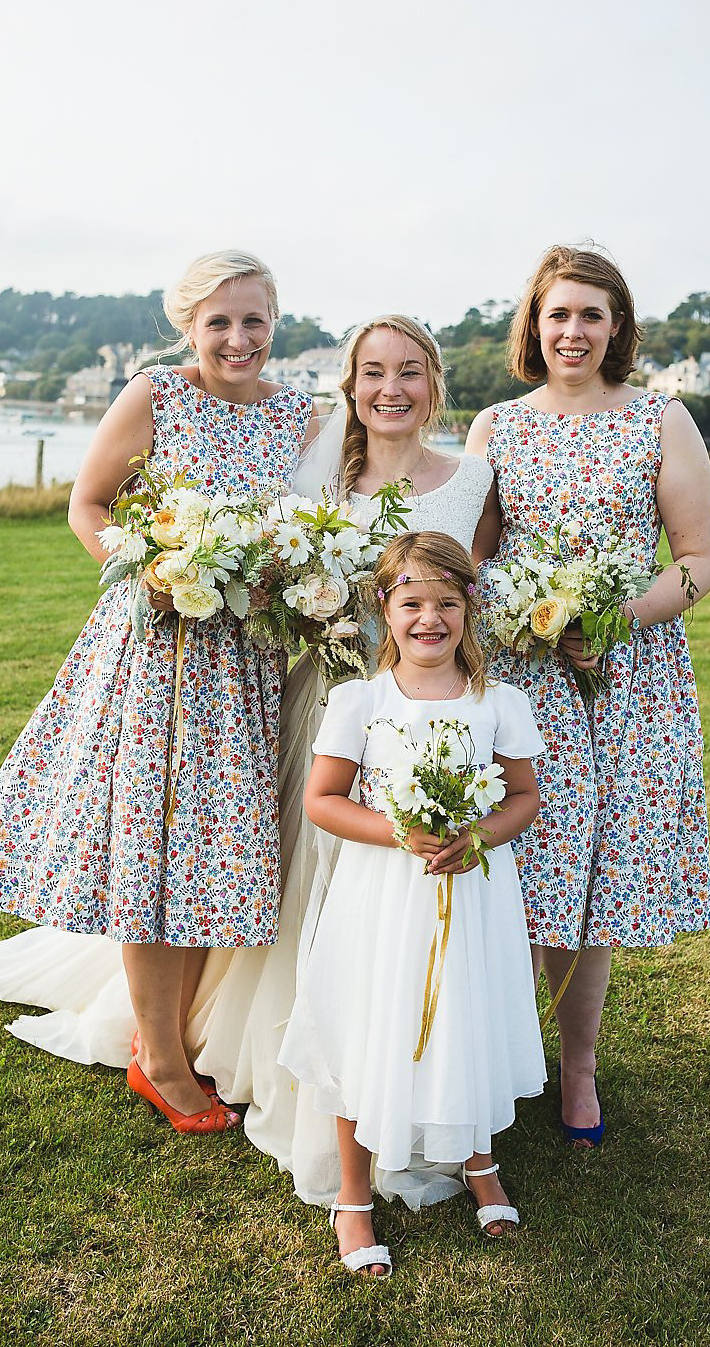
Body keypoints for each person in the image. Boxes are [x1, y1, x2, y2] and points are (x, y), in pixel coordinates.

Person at [0, 250, 314, 1133]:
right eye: (219, 322)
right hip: (157, 651)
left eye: (254, 320)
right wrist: (148, 567)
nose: (238, 338)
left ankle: (178, 1035)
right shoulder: (155, 394)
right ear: (188, 325)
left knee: (212, 853)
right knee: (152, 853)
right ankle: (159, 1060)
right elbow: (90, 505)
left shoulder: (298, 416)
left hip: (247, 664)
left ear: (275, 323)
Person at [465, 244, 710, 1145]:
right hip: (526, 681)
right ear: (533, 325)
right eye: (557, 313)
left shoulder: (661, 419)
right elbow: (477, 558)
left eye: (591, 315)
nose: (573, 331)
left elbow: (697, 562)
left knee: (593, 887)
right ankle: (501, 1056)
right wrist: (525, 617)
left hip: (629, 678)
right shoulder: (497, 424)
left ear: (617, 328)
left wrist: (615, 618)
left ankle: (579, 1069)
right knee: (524, 873)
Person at [278, 533, 546, 1276]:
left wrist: (480, 835)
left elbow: (522, 796)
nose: (430, 619)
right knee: (370, 1025)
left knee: (470, 1014)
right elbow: (325, 802)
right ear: (384, 610)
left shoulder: (500, 701)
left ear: (470, 610)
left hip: (474, 895)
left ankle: (478, 1160)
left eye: (447, 603)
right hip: (383, 897)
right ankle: (354, 1196)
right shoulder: (359, 699)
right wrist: (401, 832)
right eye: (412, 603)